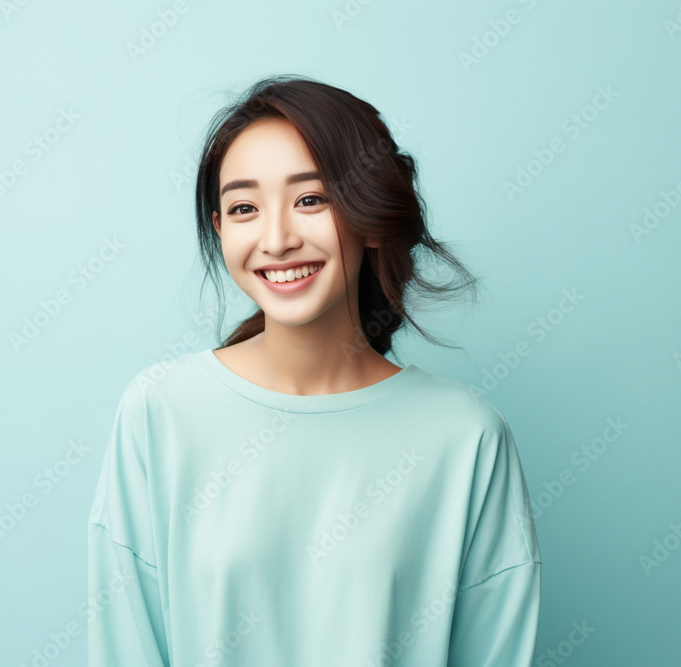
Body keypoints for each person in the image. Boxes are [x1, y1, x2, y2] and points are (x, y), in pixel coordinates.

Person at [87, 74, 541, 666]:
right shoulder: (160, 412)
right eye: (244, 207)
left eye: (311, 199)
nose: (276, 239)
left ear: (371, 216)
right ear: (221, 229)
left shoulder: (466, 438)